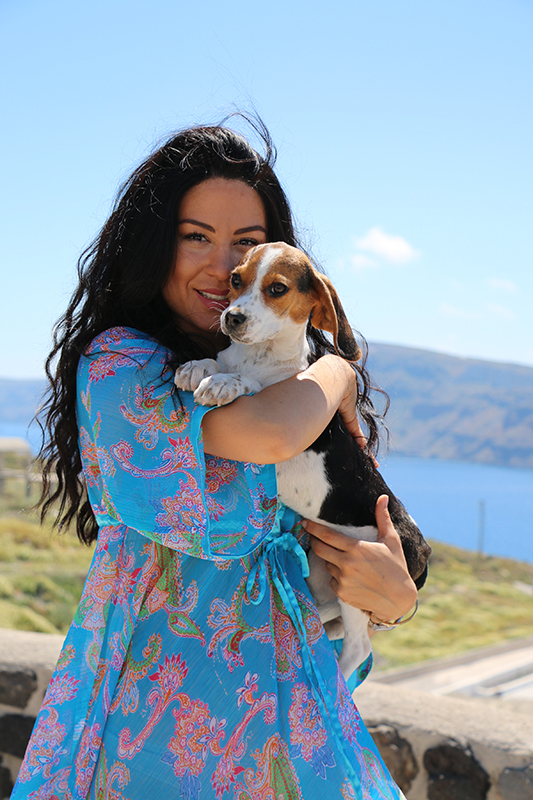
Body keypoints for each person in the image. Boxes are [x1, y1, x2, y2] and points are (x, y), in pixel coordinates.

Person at [12, 118, 417, 800]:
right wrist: (339, 372)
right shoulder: (121, 366)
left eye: (246, 244)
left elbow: (349, 527)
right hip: (151, 716)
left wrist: (394, 598)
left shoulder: (285, 381)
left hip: (290, 720)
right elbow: (270, 435)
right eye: (194, 236)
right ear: (154, 245)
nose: (221, 268)